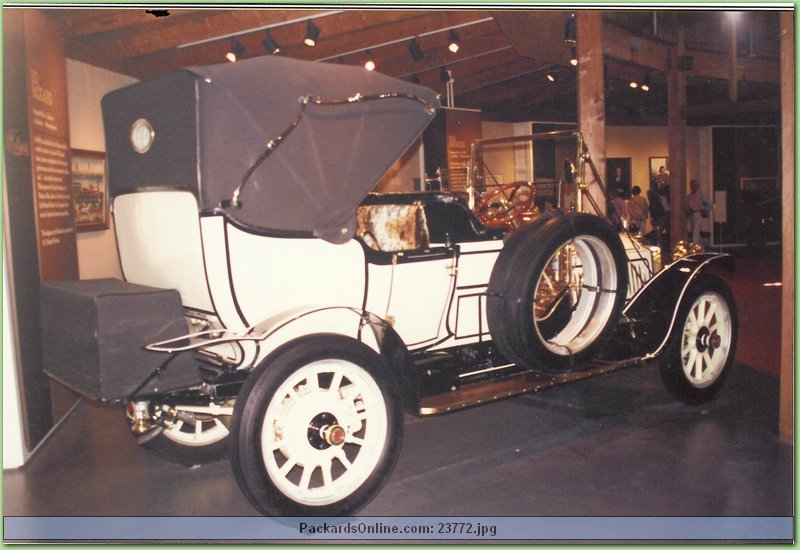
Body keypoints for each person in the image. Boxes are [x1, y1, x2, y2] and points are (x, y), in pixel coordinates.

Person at [686, 179, 711, 245]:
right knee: (695, 229)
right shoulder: (689, 196)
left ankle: (694, 245)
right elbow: (687, 205)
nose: (692, 186)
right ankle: (700, 246)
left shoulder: (702, 195)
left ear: (697, 186)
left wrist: (705, 210)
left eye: (694, 185)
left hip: (699, 213)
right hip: (692, 214)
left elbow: (709, 204)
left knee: (696, 229)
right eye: (691, 185)